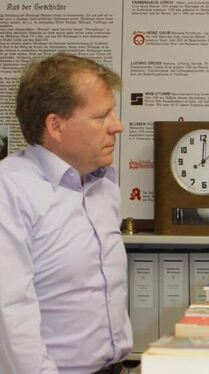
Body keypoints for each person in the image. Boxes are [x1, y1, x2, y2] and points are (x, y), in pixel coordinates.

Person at [0, 53, 131, 373]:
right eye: (102, 116)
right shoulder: (11, 191)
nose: (118, 126)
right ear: (55, 125)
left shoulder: (103, 188)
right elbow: (9, 314)